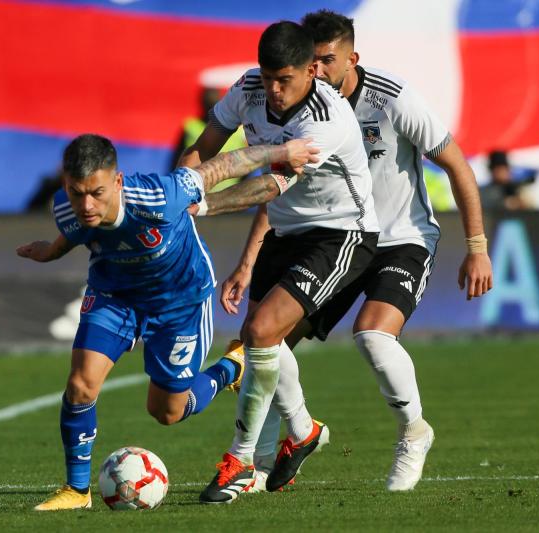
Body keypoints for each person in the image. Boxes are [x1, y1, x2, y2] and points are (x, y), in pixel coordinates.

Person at [211, 9, 494, 497]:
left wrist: (477, 246)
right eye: (312, 62)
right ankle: (275, 452)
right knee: (265, 343)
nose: (319, 71)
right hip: (329, 234)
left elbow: (457, 164)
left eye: (328, 60)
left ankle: (413, 432)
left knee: (372, 335)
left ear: (351, 58)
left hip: (400, 239)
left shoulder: (393, 99)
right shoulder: (297, 111)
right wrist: (248, 260)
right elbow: (286, 194)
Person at [18, 133, 318, 511]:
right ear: (67, 186)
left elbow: (222, 166)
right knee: (80, 385)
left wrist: (281, 152)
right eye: (77, 193)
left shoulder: (160, 195)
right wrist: (48, 252)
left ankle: (231, 369)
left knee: (167, 412)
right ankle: (77, 491)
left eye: (96, 192)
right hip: (115, 295)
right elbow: (73, 234)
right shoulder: (66, 206)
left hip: (180, 301)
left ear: (118, 181)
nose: (87, 204)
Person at [178, 21, 381, 504]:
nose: (273, 89)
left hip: (341, 234)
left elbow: (269, 185)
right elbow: (206, 146)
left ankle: (240, 462)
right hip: (285, 232)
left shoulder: (324, 118)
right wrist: (176, 190)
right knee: (263, 339)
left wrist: (201, 205)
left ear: (312, 70)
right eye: (268, 76)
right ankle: (304, 431)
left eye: (284, 79)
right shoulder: (249, 88)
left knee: (261, 332)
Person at [169, 87, 247, 191]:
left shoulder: (190, 126)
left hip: (208, 194)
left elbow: (176, 160)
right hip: (210, 194)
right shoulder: (190, 126)